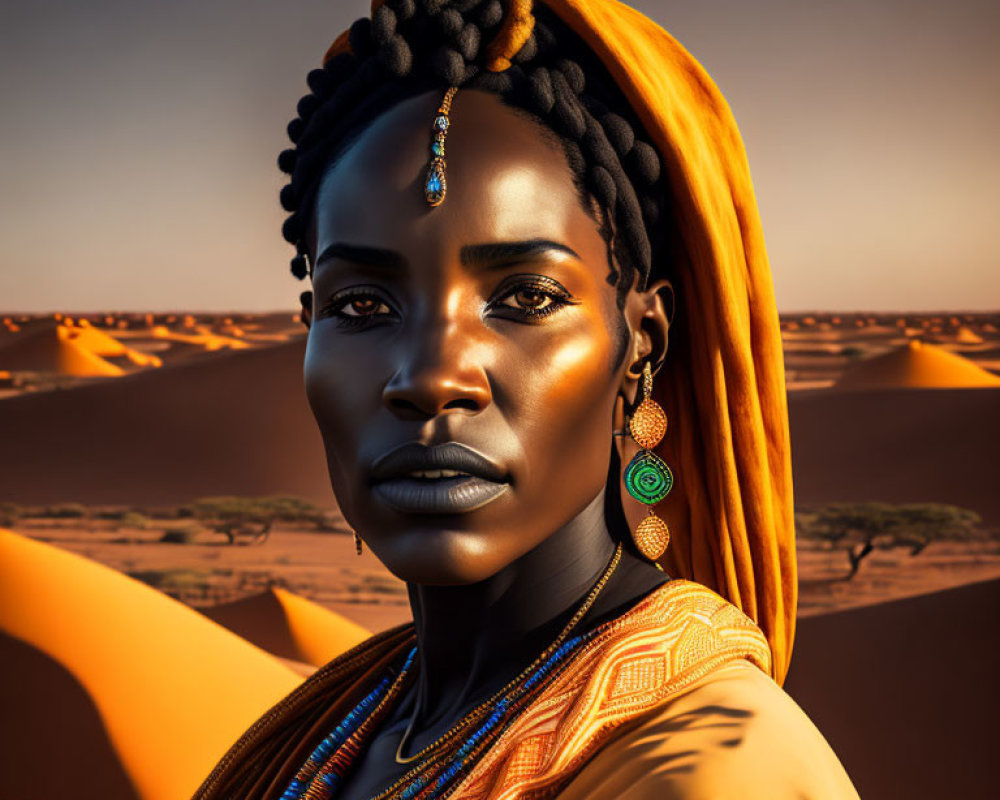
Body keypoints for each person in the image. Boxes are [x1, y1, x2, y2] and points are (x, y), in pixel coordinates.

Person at [194, 1, 860, 798]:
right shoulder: (360, 720)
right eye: (362, 306)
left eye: (527, 298)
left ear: (641, 339)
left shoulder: (713, 773)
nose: (432, 377)